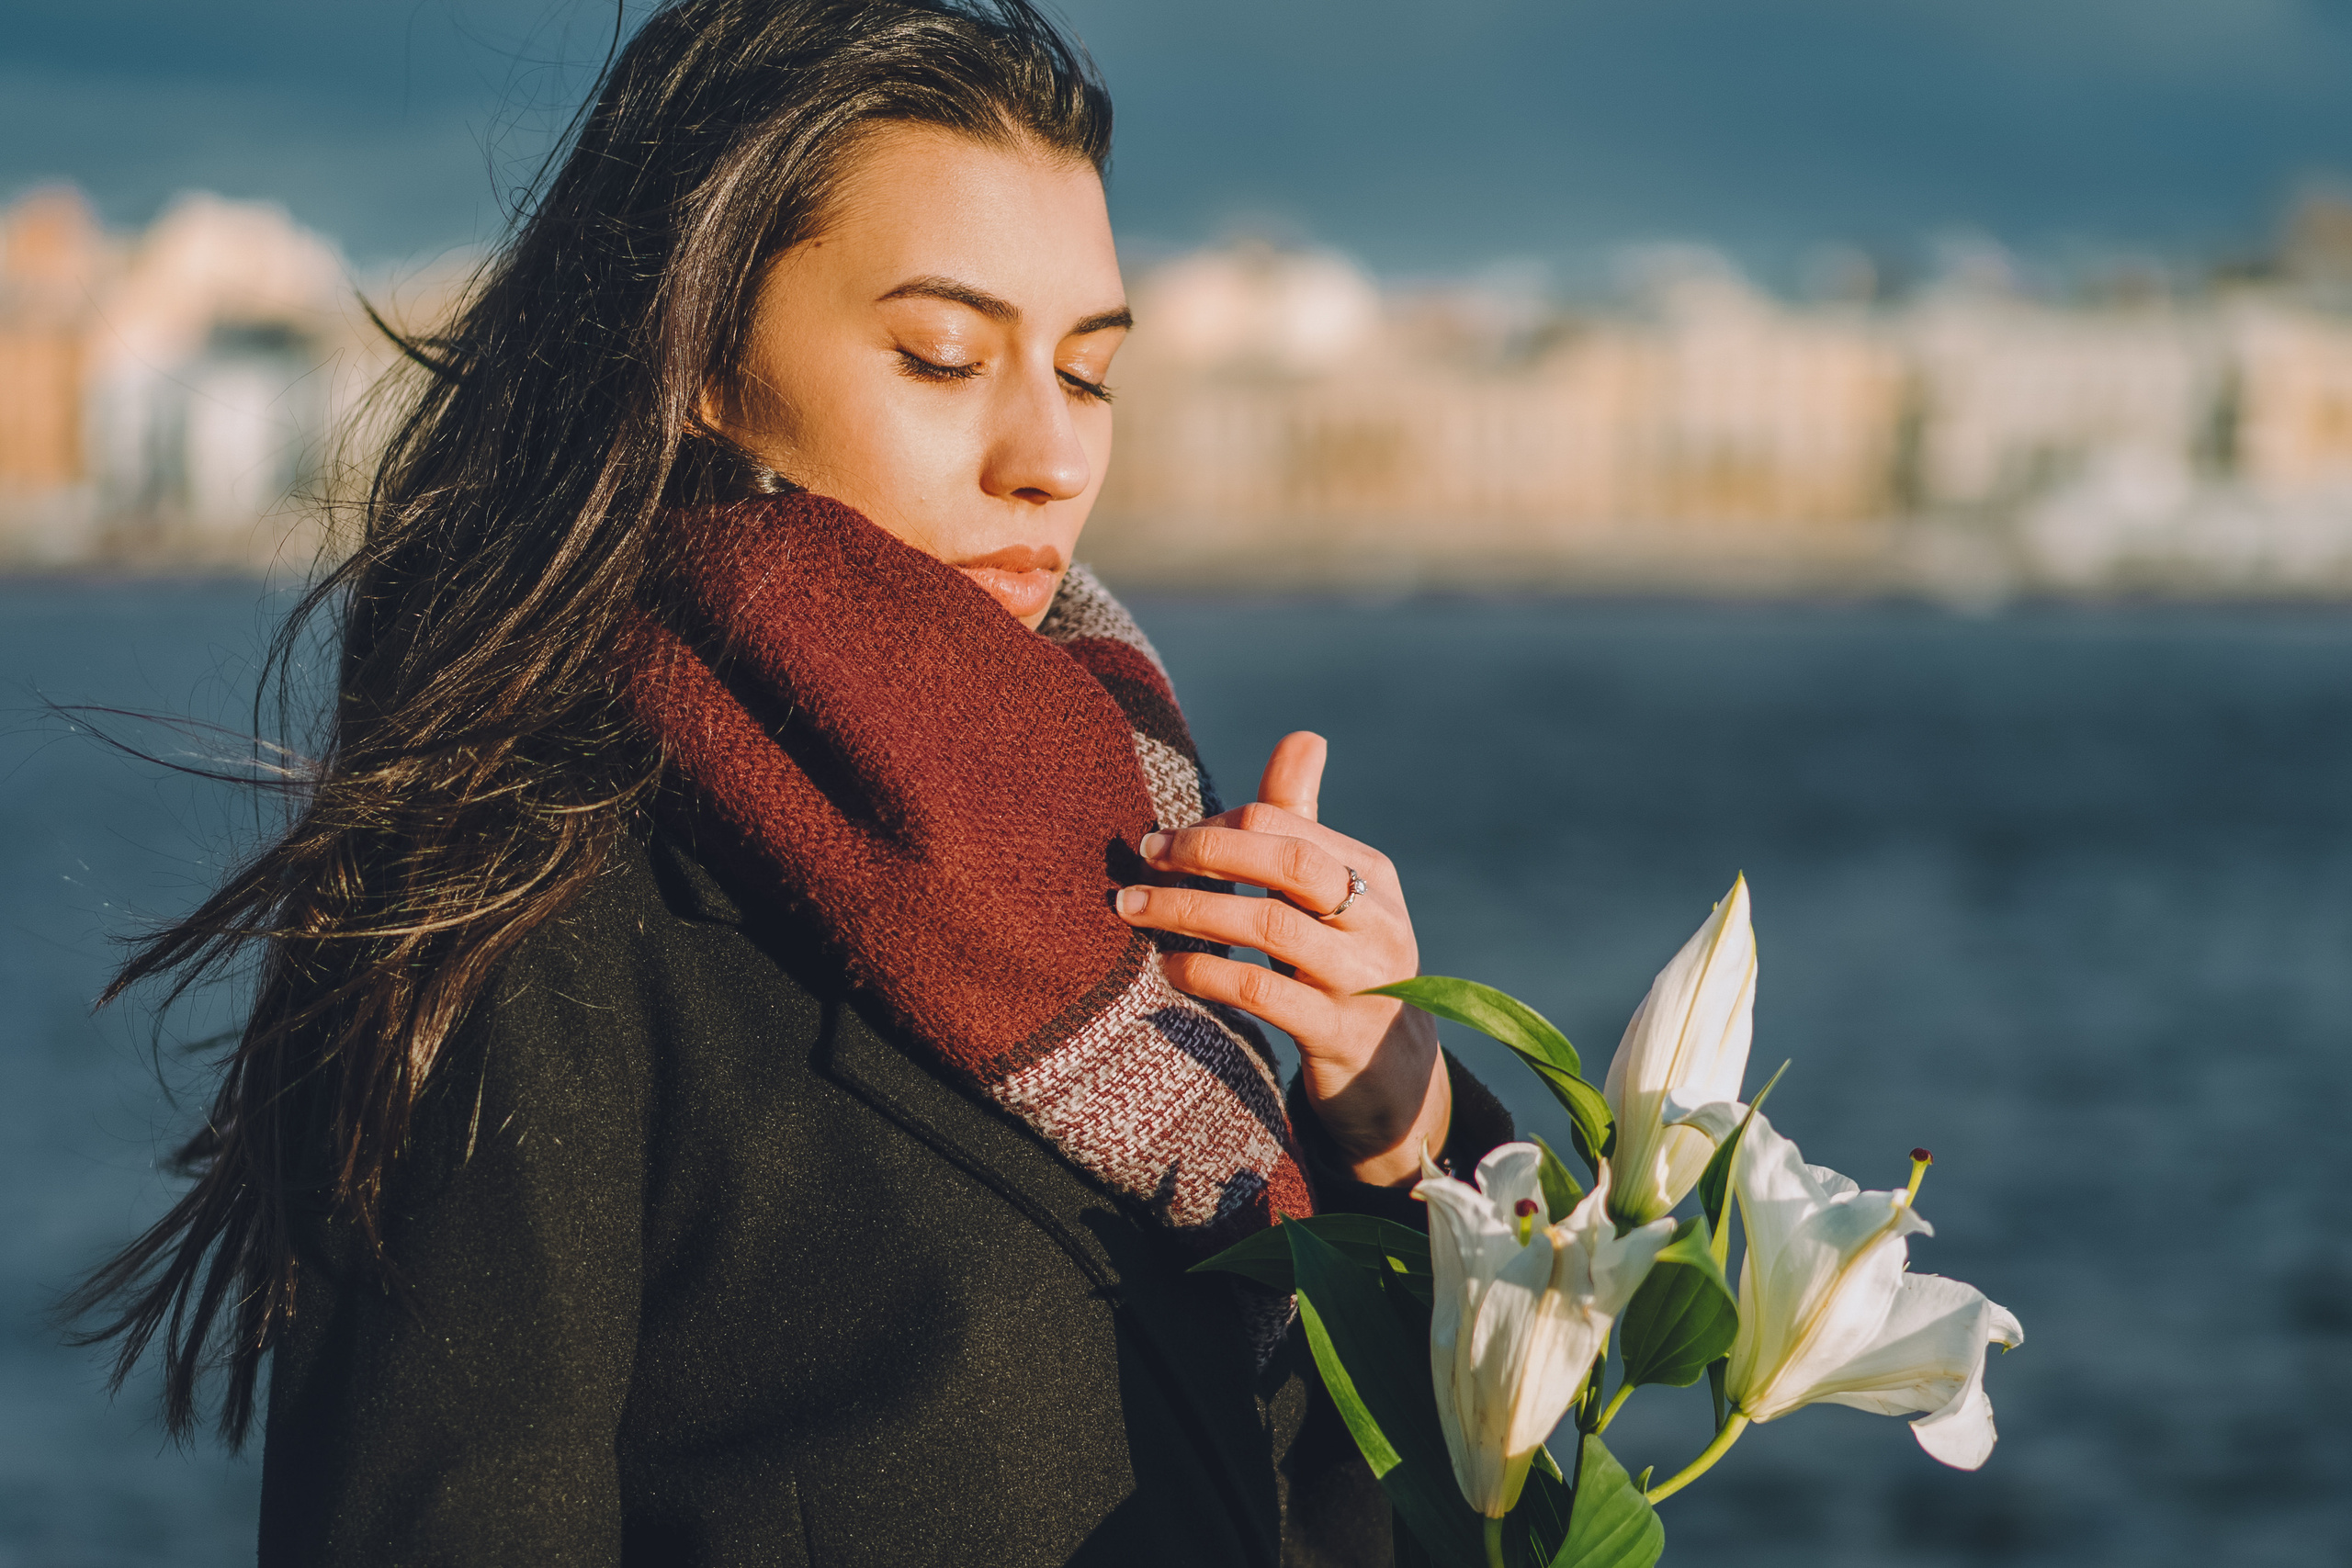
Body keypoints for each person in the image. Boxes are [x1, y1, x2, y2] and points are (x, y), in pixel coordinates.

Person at [72, 3, 1516, 1562]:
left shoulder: (1143, 847)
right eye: (944, 357)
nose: (1053, 455)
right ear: (693, 353)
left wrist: (1397, 1130)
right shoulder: (542, 905)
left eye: (1090, 373)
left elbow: (1464, 1527)